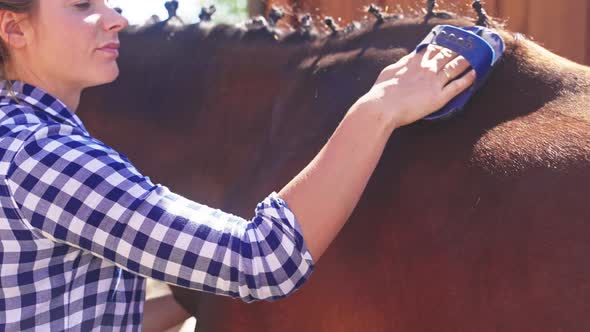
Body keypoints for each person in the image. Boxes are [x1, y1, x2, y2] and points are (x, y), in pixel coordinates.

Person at [0, 1, 476, 331]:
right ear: (15, 29)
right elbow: (264, 259)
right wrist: (378, 108)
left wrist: (190, 300)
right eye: (83, 5)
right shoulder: (45, 158)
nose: (116, 18)